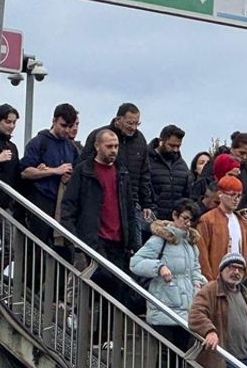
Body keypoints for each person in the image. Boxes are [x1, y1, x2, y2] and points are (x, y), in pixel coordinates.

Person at [60, 128, 139, 317]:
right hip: (92, 238)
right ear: (97, 146)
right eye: (109, 146)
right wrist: (73, 236)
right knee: (99, 279)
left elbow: (129, 207)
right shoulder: (84, 170)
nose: (113, 150)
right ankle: (79, 318)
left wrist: (132, 242)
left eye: (116, 146)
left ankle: (105, 337)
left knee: (118, 289)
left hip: (119, 241)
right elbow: (69, 205)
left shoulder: (122, 172)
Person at [129, 199, 206, 351]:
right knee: (165, 358)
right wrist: (159, 267)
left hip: (186, 311)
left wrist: (198, 284)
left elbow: (195, 270)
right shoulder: (159, 240)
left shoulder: (191, 245)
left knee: (181, 358)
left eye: (192, 220)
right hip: (164, 308)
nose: (188, 224)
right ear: (175, 216)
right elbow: (135, 262)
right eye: (185, 218)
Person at [20, 103, 80, 245]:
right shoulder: (39, 142)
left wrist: (69, 177)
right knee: (37, 245)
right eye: (63, 125)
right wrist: (54, 171)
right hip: (41, 199)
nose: (66, 130)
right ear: (54, 121)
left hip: (62, 203)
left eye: (70, 126)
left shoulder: (71, 147)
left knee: (62, 247)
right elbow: (24, 172)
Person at [82, 102, 153, 220]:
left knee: (133, 238)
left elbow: (144, 173)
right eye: (130, 123)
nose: (133, 127)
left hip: (131, 203)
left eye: (137, 123)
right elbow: (83, 166)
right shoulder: (99, 136)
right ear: (118, 120)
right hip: (102, 201)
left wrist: (146, 203)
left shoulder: (140, 140)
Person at [197, 174, 247, 280]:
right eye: (232, 194)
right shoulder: (207, 220)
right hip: (216, 280)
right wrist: (208, 280)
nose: (236, 199)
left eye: (239, 196)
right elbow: (202, 255)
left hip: (238, 280)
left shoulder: (242, 222)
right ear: (220, 194)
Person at [146, 124, 192, 220]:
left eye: (178, 146)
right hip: (152, 219)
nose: (175, 150)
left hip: (174, 222)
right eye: (171, 145)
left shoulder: (182, 166)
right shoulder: (146, 160)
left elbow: (187, 195)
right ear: (161, 141)